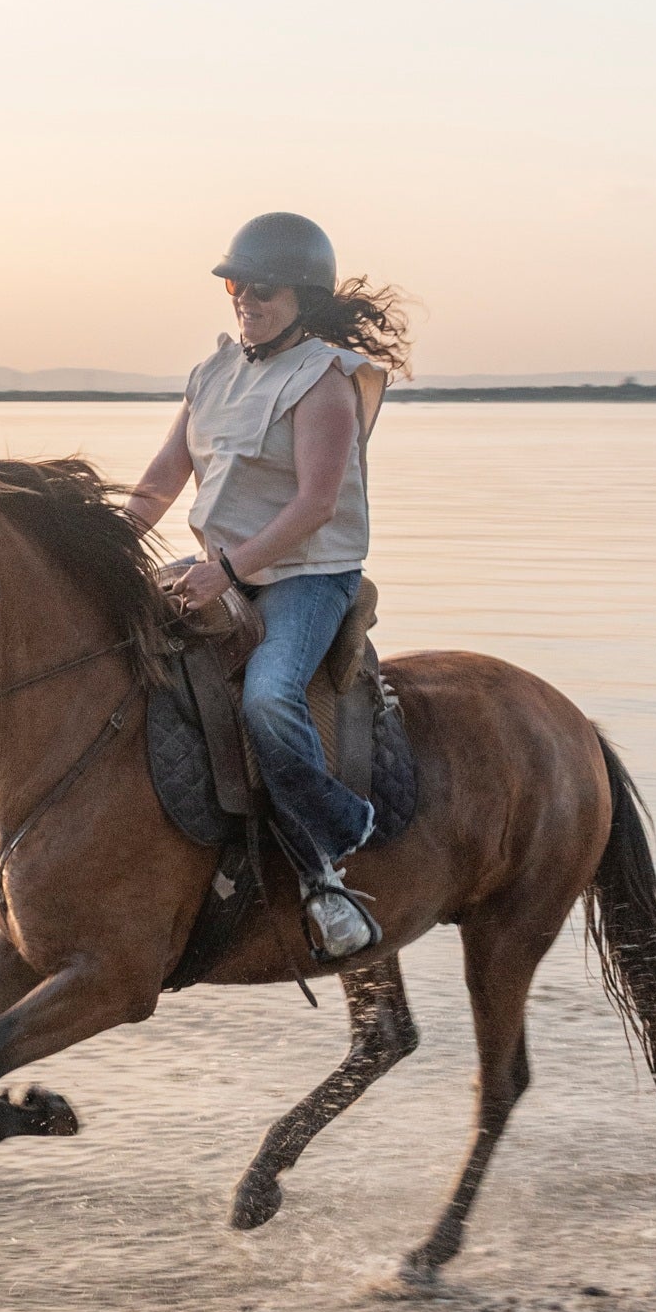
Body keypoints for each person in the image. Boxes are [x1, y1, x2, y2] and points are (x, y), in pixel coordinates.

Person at [123, 213, 412, 960]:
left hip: (303, 575)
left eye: (261, 287)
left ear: (300, 296)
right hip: (217, 567)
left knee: (267, 695)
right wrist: (105, 539)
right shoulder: (212, 373)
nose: (243, 297)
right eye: (234, 283)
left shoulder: (324, 380)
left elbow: (314, 504)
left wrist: (225, 570)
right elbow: (159, 482)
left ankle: (329, 852)